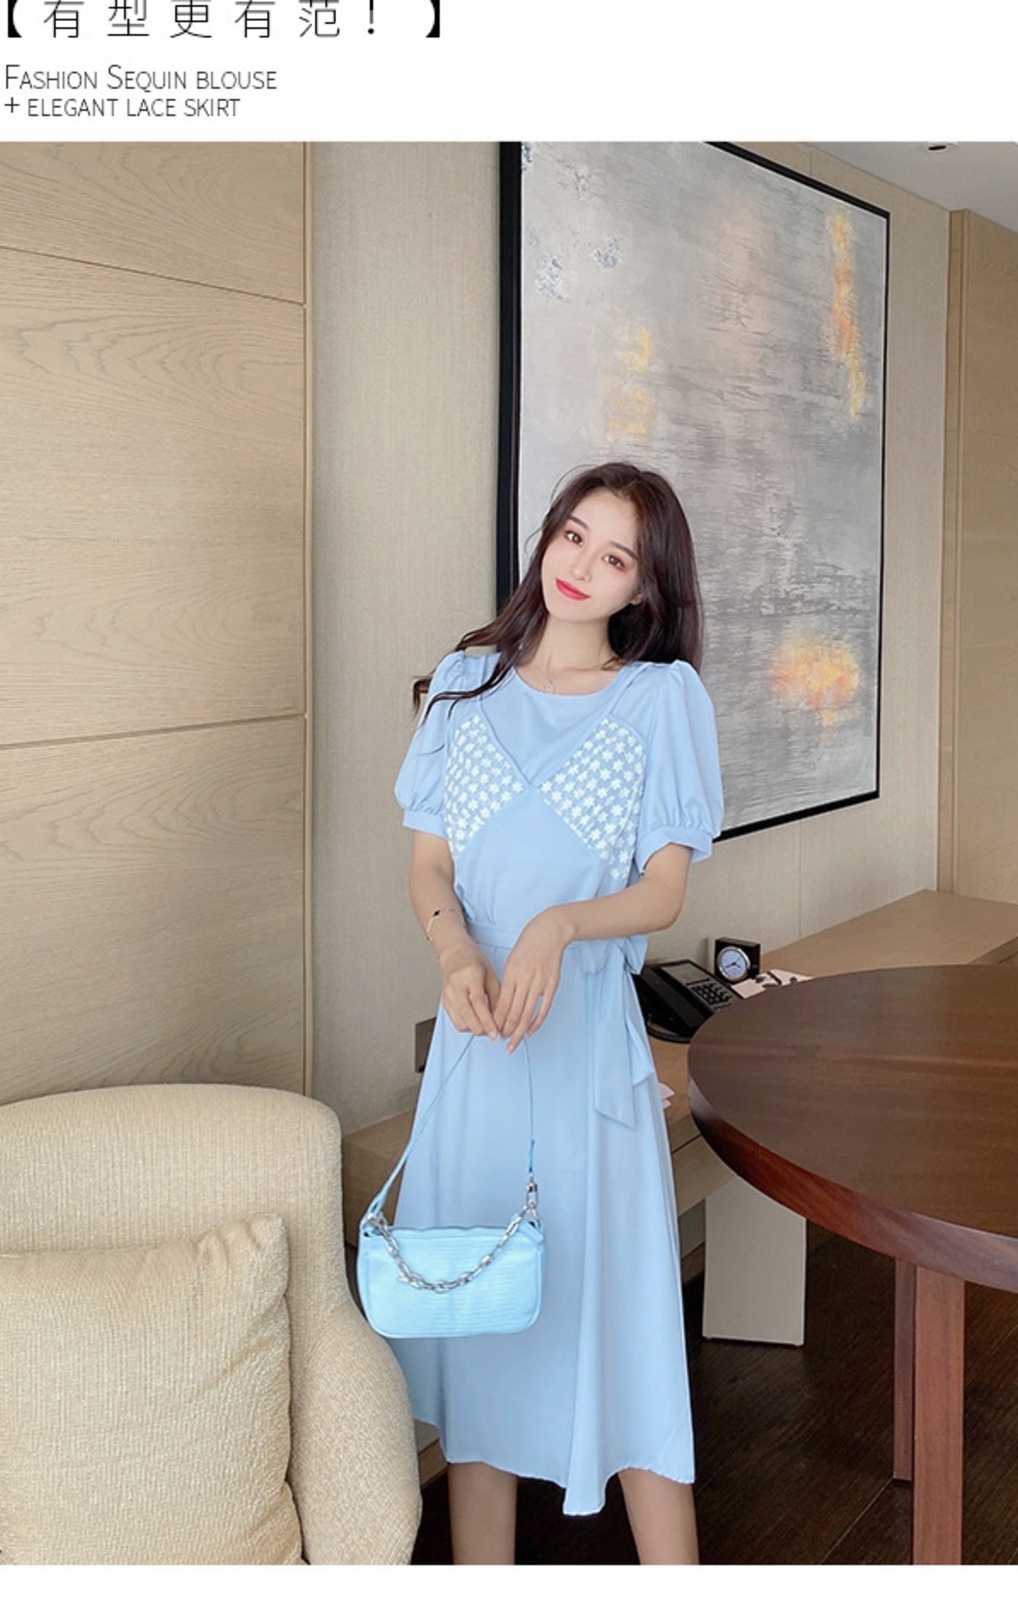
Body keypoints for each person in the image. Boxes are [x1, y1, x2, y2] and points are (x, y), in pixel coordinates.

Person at [392, 461, 724, 1564]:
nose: (581, 565)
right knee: (481, 1343)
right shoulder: (464, 681)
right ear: (547, 537)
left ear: (643, 585)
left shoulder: (660, 699)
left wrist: (559, 924)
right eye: (572, 535)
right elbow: (428, 861)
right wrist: (455, 949)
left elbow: (664, 890)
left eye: (614, 554)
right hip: (478, 1054)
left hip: (584, 1057)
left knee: (626, 1348)